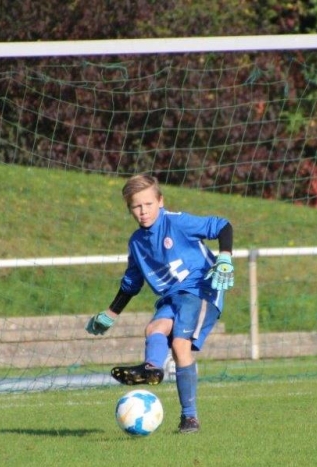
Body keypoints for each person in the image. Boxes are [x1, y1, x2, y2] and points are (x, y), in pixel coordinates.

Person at [85, 173, 235, 434]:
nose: (143, 211)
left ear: (160, 201)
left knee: (179, 344)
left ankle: (190, 418)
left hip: (201, 289)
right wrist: (110, 314)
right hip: (173, 296)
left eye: (148, 204)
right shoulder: (137, 243)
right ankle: (151, 369)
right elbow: (131, 283)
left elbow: (222, 226)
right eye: (136, 206)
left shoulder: (177, 222)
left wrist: (225, 257)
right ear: (129, 208)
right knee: (153, 329)